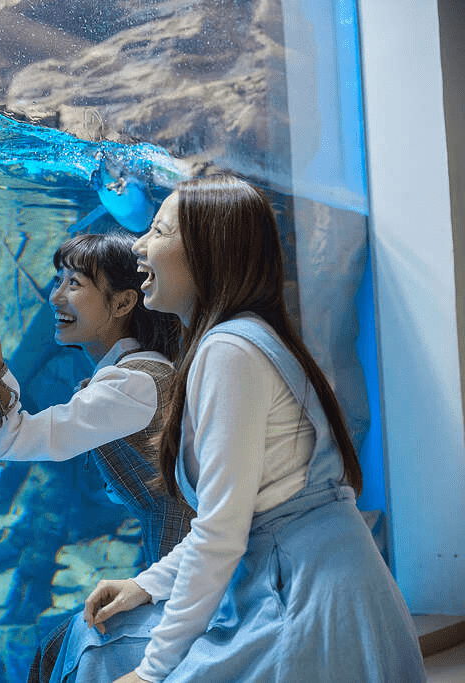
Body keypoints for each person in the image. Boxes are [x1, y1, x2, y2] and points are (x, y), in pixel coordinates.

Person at [45, 175, 426, 683]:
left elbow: (220, 534)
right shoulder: (240, 340)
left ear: (206, 252)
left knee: (95, 651)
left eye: (158, 231)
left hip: (303, 609)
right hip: (322, 595)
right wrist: (147, 584)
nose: (138, 243)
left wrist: (151, 672)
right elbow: (231, 524)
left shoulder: (230, 350)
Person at [0, 231, 195, 683]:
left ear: (124, 303)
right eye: (58, 280)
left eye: (75, 284)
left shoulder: (134, 385)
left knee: (62, 654)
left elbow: (9, 439)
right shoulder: (140, 375)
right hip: (176, 573)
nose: (56, 296)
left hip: (187, 580)